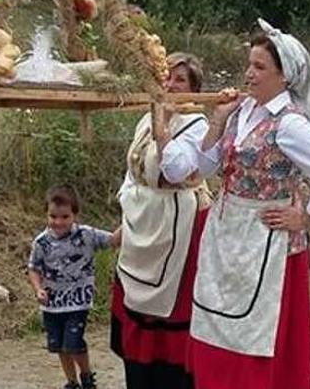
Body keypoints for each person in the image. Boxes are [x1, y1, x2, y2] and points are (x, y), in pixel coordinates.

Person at [185, 19, 310, 389]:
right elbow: (204, 167)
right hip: (227, 233)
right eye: (249, 64)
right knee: (219, 321)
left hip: (266, 240)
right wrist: (217, 121)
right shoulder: (241, 112)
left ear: (284, 76)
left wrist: (304, 215)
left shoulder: (289, 124)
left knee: (255, 331)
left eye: (259, 67)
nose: (248, 73)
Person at [111, 53, 211, 389]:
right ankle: (139, 374)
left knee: (171, 306)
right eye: (166, 76)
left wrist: (164, 129)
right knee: (136, 299)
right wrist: (127, 210)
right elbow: (133, 170)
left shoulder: (198, 126)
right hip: (143, 220)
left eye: (179, 79)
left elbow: (175, 170)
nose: (169, 84)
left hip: (180, 226)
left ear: (194, 88)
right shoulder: (146, 118)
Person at [29, 185, 121, 389]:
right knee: (60, 346)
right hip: (52, 304)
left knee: (74, 342)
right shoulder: (41, 243)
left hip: (78, 302)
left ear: (74, 216)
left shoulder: (87, 235)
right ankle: (71, 381)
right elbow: (33, 268)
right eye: (53, 216)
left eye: (64, 217)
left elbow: (113, 240)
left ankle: (86, 376)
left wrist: (134, 217)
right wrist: (38, 289)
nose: (58, 222)